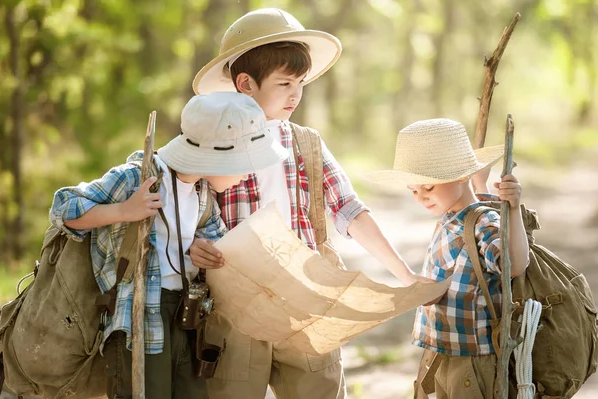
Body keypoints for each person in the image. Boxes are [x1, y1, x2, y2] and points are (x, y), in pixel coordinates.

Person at [188, 8, 434, 399]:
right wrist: (194, 245)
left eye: (301, 82)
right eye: (284, 83)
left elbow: (351, 211)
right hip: (232, 307)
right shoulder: (212, 144)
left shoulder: (305, 144)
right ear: (245, 83)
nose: (295, 94)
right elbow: (187, 215)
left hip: (305, 303)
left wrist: (403, 275)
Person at [48, 92, 288, 399]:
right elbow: (62, 206)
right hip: (140, 322)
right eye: (243, 163)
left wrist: (201, 251)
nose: (247, 174)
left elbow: (218, 243)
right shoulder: (139, 177)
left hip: (186, 320)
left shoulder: (203, 195)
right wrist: (124, 211)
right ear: (216, 156)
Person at [365, 118, 530, 398]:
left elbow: (513, 265)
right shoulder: (452, 214)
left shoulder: (483, 222)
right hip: (443, 349)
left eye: (428, 188)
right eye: (414, 191)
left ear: (460, 175)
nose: (421, 198)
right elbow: (473, 200)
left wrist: (512, 210)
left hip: (473, 357)